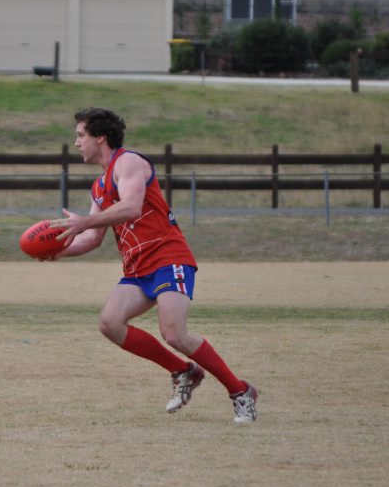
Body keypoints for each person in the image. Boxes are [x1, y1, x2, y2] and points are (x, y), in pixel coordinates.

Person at [44, 107, 258, 423]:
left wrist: (86, 220)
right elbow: (92, 238)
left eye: (80, 135)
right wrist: (58, 251)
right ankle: (183, 371)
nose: (76, 142)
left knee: (174, 334)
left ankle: (241, 392)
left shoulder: (129, 163)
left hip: (167, 257)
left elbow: (130, 208)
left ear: (99, 137)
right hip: (137, 268)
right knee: (110, 323)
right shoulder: (99, 186)